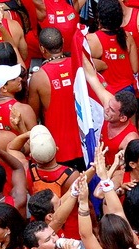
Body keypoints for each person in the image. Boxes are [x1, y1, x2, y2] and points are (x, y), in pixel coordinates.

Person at [27, 28, 83, 170]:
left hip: (57, 149)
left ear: (42, 49)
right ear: (63, 42)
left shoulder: (38, 78)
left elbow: (33, 114)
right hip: (85, 144)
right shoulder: (79, 64)